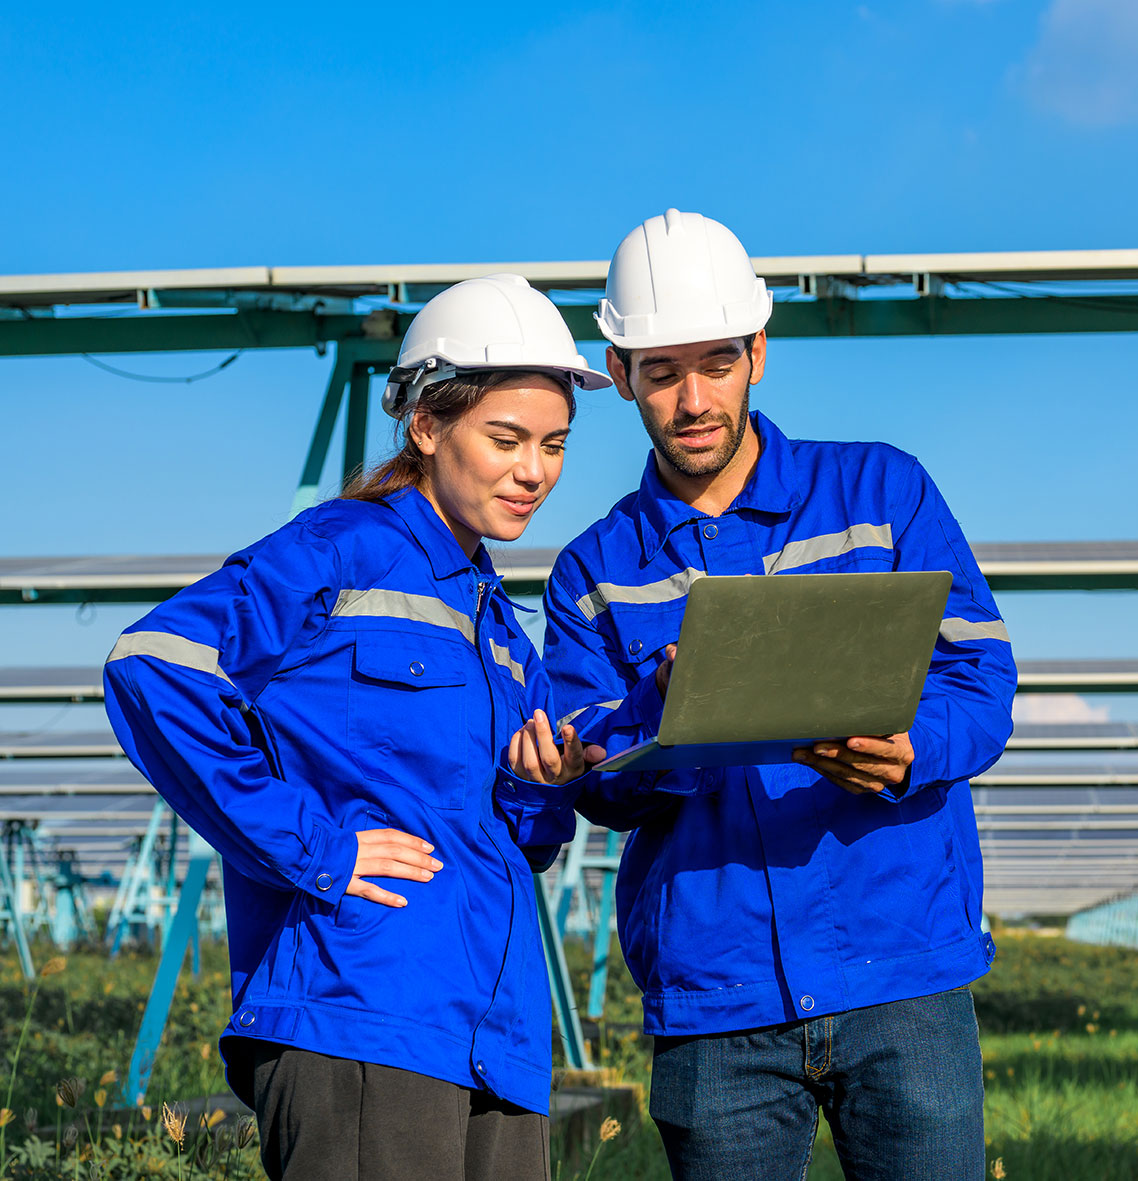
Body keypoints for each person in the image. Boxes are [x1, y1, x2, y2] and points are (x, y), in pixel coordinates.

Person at [542, 211, 1018, 1180]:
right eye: (660, 371)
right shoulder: (592, 570)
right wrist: (665, 710)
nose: (691, 400)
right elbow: (593, 776)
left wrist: (912, 748)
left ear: (757, 351)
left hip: (902, 972)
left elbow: (979, 676)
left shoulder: (882, 492)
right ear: (620, 371)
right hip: (717, 998)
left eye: (715, 363)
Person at [104, 273, 610, 1181]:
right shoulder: (339, 550)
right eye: (505, 439)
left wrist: (540, 786)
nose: (534, 470)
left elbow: (522, 839)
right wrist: (318, 847)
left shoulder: (499, 625)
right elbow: (154, 663)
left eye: (554, 444)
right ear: (426, 425)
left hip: (494, 1033)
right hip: (360, 1013)